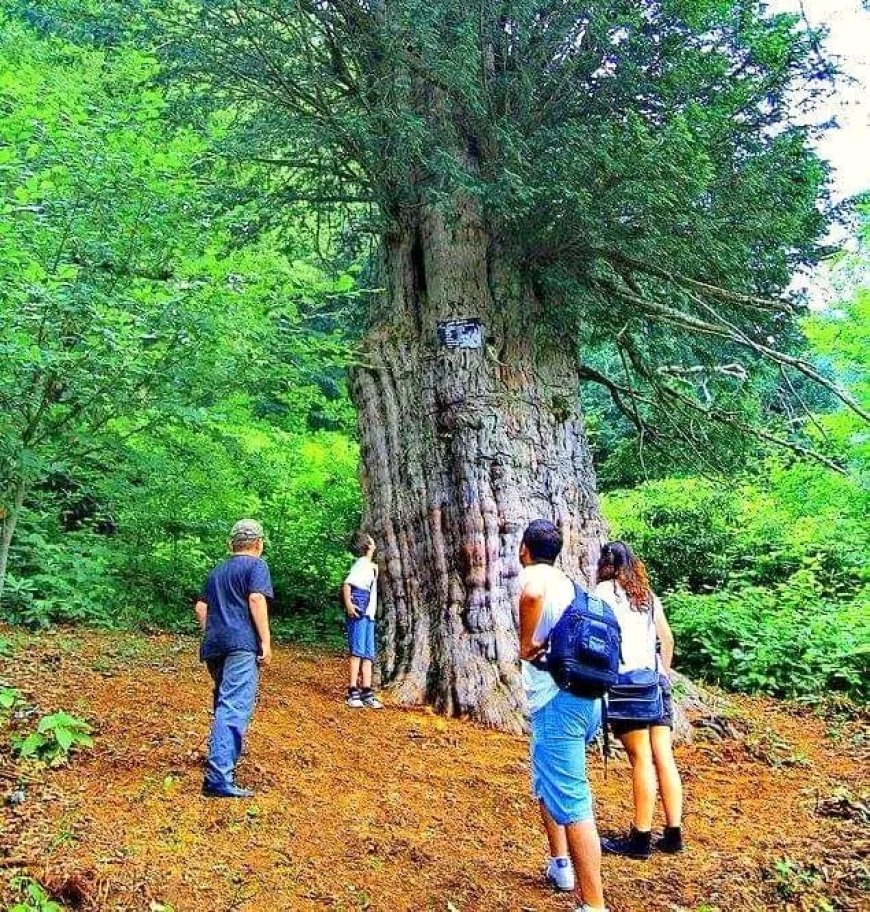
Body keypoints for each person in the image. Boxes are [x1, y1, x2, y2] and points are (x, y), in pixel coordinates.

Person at [519, 519, 608, 912]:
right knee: (547, 782)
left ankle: (594, 904)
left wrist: (526, 643)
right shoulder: (571, 584)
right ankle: (560, 864)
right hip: (584, 702)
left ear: (525, 548)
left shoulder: (535, 577)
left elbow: (532, 593)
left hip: (559, 703)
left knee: (573, 802)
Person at [594, 540, 684, 859]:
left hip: (627, 684)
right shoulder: (646, 596)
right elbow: (667, 639)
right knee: (664, 755)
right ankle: (673, 834)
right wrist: (663, 676)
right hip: (656, 680)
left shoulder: (603, 594)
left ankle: (640, 838)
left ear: (605, 566)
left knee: (641, 759)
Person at [194, 519, 274, 798]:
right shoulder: (256, 566)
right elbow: (256, 599)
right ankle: (218, 778)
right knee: (234, 705)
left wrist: (215, 632)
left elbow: (201, 607)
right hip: (241, 645)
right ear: (259, 544)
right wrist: (265, 640)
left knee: (223, 701)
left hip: (214, 645)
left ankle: (219, 759)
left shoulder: (217, 571)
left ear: (232, 544)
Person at [342, 531, 383, 710]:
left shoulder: (370, 565)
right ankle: (352, 690)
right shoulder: (361, 564)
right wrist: (350, 605)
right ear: (368, 546)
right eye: (372, 541)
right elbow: (347, 584)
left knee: (367, 654)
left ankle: (367, 691)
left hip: (369, 612)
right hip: (360, 607)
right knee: (357, 652)